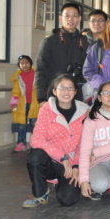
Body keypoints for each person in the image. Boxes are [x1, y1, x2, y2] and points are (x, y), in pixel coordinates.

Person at [22, 74, 88, 208]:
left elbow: (84, 144)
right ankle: (40, 194)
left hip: (70, 162)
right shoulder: (46, 110)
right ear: (54, 91)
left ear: (75, 91)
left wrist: (76, 166)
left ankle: (61, 183)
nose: (66, 92)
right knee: (35, 156)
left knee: (68, 200)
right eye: (62, 88)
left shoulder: (85, 112)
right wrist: (62, 157)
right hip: (50, 159)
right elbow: (36, 140)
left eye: (70, 88)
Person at [35, 3, 88, 103]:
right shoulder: (49, 42)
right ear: (60, 18)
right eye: (67, 16)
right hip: (54, 93)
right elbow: (40, 71)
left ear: (79, 19)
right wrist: (41, 98)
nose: (70, 19)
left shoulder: (85, 42)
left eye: (74, 16)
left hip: (79, 94)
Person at [10, 55, 39, 152]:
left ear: (30, 63)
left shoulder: (37, 74)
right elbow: (15, 92)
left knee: (35, 124)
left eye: (26, 62)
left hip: (36, 104)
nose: (24, 65)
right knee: (21, 124)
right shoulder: (17, 77)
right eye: (22, 63)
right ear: (19, 65)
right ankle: (21, 143)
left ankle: (35, 144)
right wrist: (13, 104)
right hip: (22, 105)